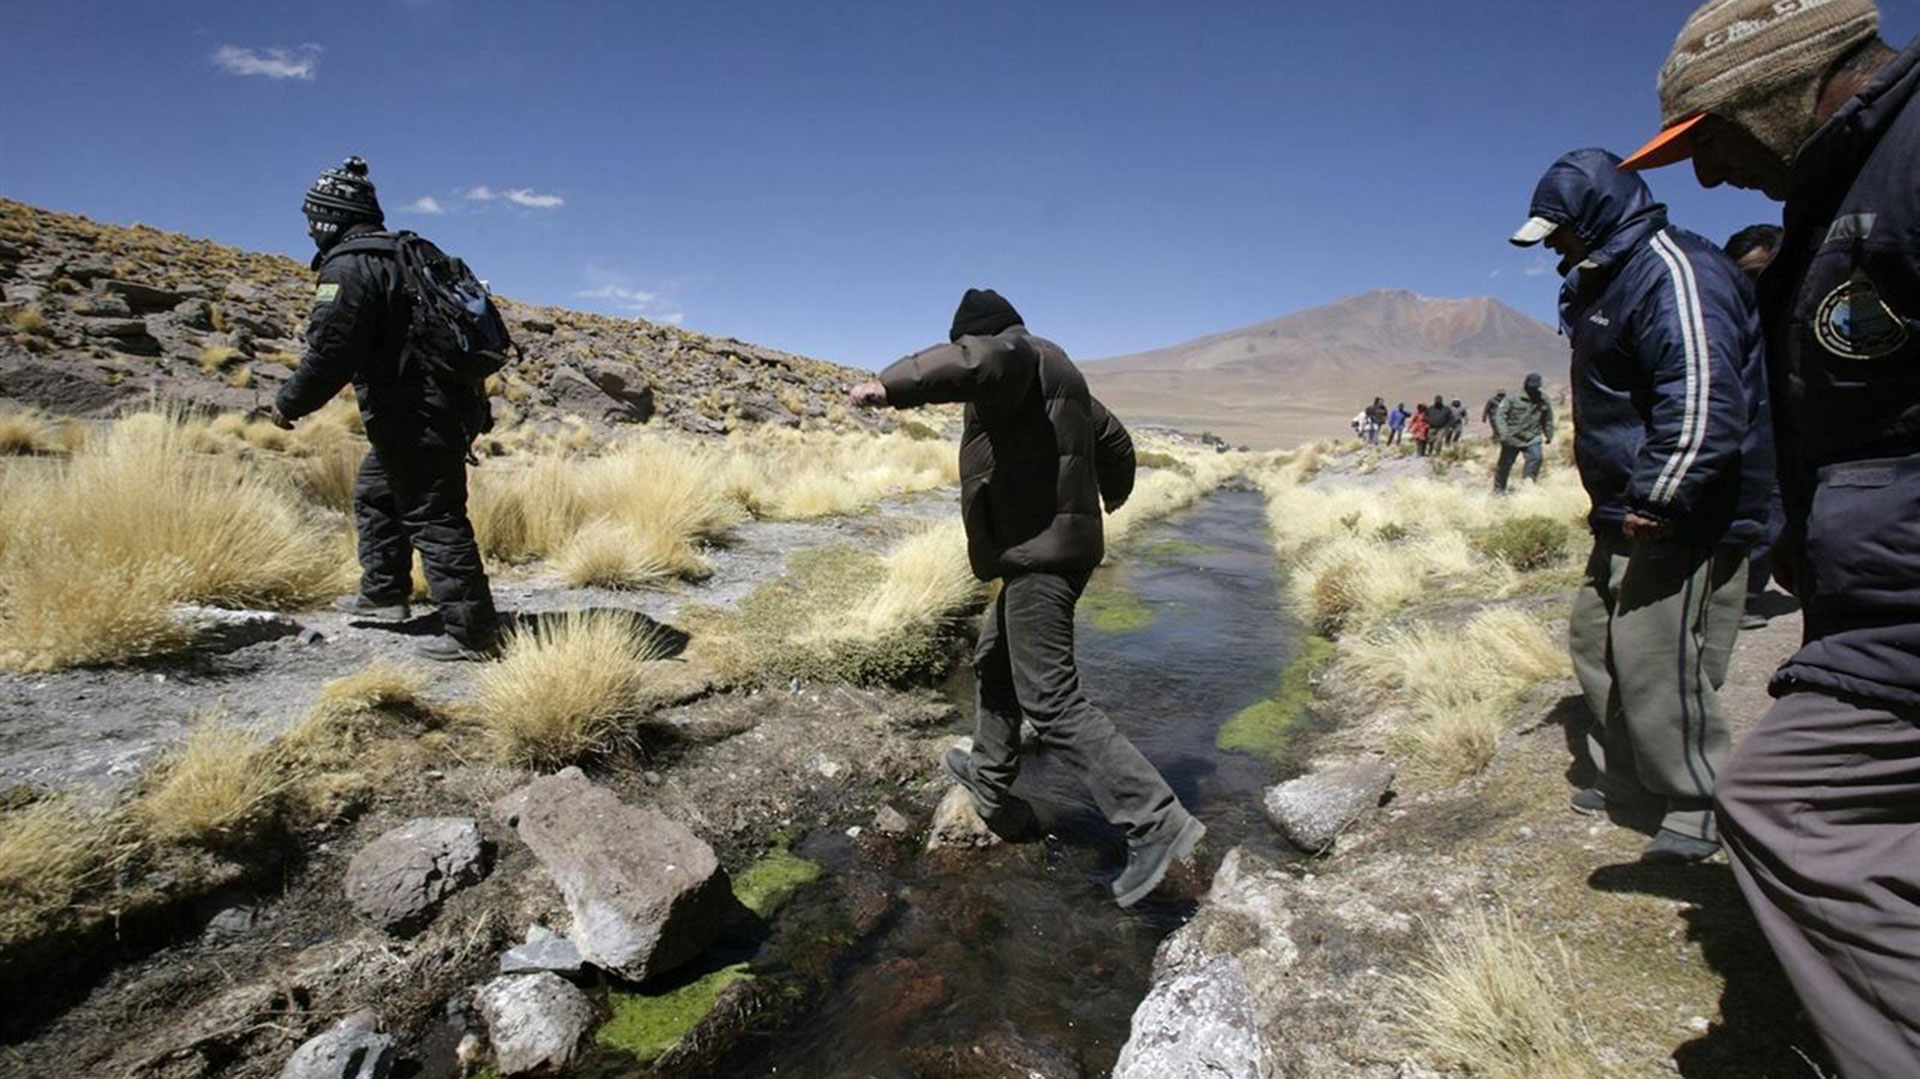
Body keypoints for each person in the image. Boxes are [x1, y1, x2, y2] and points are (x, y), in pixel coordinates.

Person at [1624, 2, 1920, 1071]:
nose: (1705, 177)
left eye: (1711, 138)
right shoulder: (1842, 195)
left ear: (1773, 91)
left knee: (1797, 804)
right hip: (1870, 587)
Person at [847, 288, 1205, 908]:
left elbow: (978, 362)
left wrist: (891, 386)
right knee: (992, 661)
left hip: (1043, 556)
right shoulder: (1055, 377)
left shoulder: (1014, 358)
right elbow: (1115, 441)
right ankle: (989, 775)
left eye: (966, 341)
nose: (968, 351)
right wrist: (1105, 502)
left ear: (979, 335)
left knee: (1052, 698)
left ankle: (1156, 821)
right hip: (1047, 549)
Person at [1511, 147, 1773, 862]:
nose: (1557, 247)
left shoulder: (1675, 273)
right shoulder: (1608, 279)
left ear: (1594, 217)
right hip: (1626, 507)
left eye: (1559, 231)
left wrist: (1659, 498)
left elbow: (1701, 396)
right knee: (1595, 638)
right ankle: (1626, 774)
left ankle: (1695, 801)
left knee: (1658, 655)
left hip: (1684, 509)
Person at [271, 157, 500, 662]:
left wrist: (290, 403)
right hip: (445, 406)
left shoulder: (351, 267)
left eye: (313, 218)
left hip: (414, 414)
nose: (309, 229)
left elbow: (333, 351)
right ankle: (384, 593)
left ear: (330, 217)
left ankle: (473, 634)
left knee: (433, 515)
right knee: (377, 492)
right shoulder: (411, 253)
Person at [1725, 224, 1788, 630]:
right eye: (1744, 277)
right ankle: (1739, 597)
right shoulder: (1729, 325)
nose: (1754, 287)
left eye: (1761, 275)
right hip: (1749, 433)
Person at [1491, 373, 1554, 492]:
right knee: (1505, 465)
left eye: (1536, 387)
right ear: (1525, 384)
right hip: (1512, 437)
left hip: (1532, 437)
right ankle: (1498, 490)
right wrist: (1503, 433)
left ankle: (1528, 483)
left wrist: (1549, 433)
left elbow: (1548, 418)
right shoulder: (1512, 398)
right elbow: (1500, 415)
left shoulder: (1543, 399)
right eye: (1531, 386)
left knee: (1536, 457)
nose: (1533, 389)